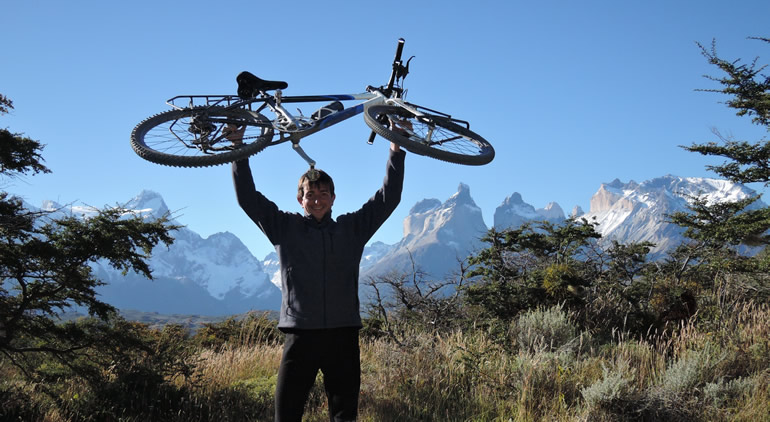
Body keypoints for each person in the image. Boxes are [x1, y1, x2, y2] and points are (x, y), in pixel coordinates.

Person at [230, 126, 405, 421]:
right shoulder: (283, 228)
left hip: (343, 335)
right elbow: (248, 198)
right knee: (286, 415)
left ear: (334, 198)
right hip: (300, 336)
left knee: (344, 416)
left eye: (324, 193)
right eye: (310, 194)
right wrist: (239, 152)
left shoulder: (351, 229)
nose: (317, 199)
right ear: (300, 200)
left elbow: (389, 199)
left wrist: (396, 150)